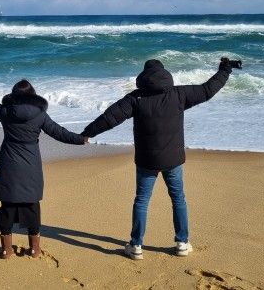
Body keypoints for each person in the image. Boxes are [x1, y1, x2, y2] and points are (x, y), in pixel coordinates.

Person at [80, 58, 234, 260]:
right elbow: (208, 90)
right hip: (173, 160)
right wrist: (225, 70)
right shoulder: (179, 94)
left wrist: (87, 133)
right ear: (165, 74)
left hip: (147, 160)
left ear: (143, 77)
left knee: (142, 201)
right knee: (178, 199)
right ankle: (182, 243)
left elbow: (110, 117)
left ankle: (136, 246)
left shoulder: (136, 98)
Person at [0, 79, 87, 259]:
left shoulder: (5, 112)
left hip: (9, 165)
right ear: (33, 96)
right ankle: (34, 249)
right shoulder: (40, 115)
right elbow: (59, 133)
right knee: (32, 205)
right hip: (31, 166)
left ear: (14, 95)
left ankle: (7, 250)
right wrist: (81, 139)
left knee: (7, 206)